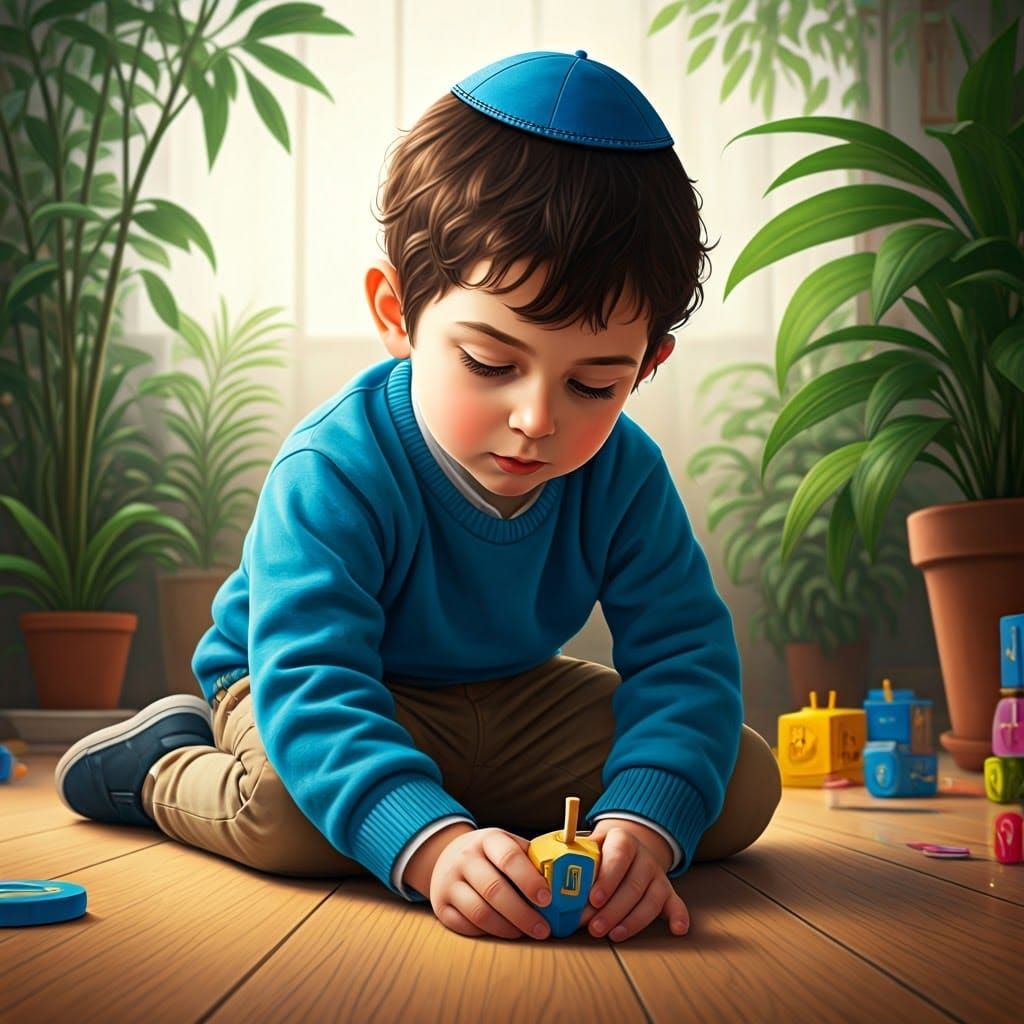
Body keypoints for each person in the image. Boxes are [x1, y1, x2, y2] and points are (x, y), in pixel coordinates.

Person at [56, 49, 782, 944]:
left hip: (506, 697)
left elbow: (683, 660)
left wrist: (640, 829)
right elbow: (312, 677)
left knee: (735, 784)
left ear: (647, 366)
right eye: (490, 363)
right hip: (301, 684)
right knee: (293, 815)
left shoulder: (624, 473)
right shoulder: (334, 465)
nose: (535, 420)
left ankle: (443, 803)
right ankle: (164, 764)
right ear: (397, 314)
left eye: (596, 384)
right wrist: (433, 846)